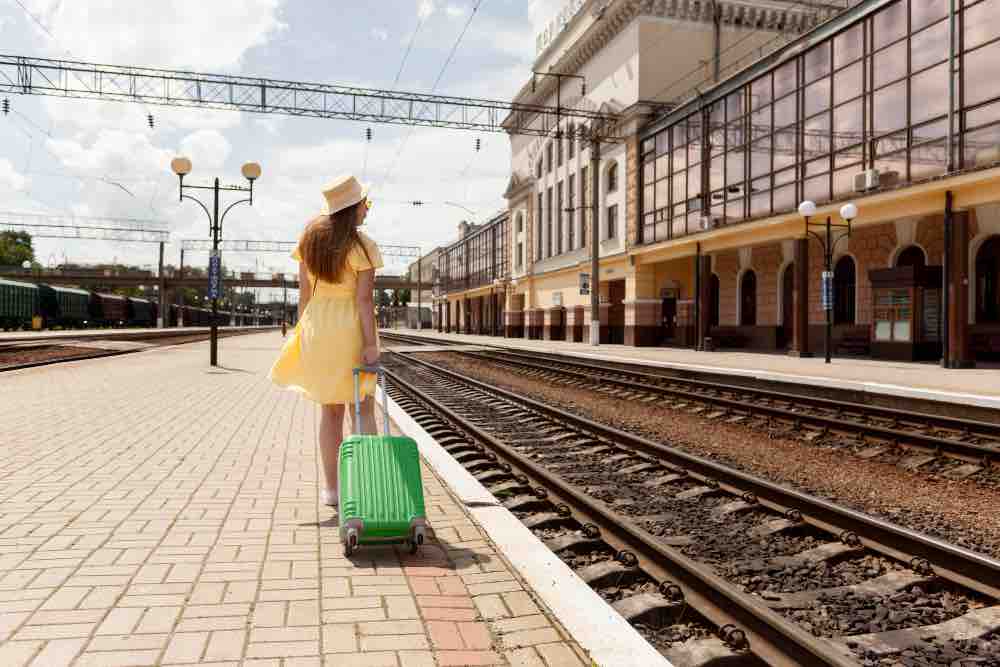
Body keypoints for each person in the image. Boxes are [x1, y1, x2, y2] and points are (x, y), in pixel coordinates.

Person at [269, 175, 383, 507]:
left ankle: (332, 491)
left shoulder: (309, 241)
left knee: (330, 413)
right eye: (365, 204)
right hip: (349, 329)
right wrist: (371, 344)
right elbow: (363, 301)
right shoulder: (363, 246)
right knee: (362, 409)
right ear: (353, 208)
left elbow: (305, 295)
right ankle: (368, 486)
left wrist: (301, 334)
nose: (367, 210)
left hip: (317, 330)